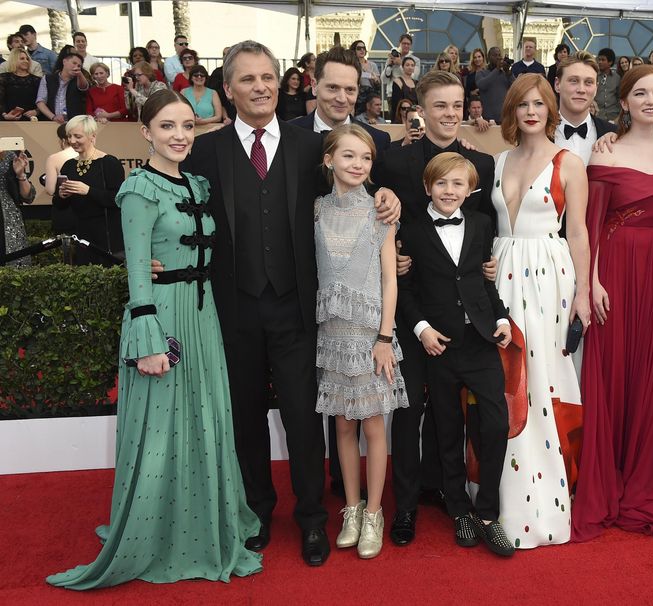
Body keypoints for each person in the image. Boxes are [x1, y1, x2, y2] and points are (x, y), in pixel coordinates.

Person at [179, 40, 400, 566]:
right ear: (227, 89)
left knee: (303, 418)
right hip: (234, 309)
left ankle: (312, 520)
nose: (260, 87)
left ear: (280, 83)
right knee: (248, 417)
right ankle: (257, 511)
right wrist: (159, 256)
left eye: (268, 77)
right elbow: (173, 200)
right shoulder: (207, 151)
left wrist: (391, 196)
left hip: (299, 310)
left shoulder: (307, 148)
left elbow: (358, 184)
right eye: (248, 79)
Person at [46, 90, 263, 590]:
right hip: (162, 316)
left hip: (204, 316)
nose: (180, 136)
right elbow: (137, 270)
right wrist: (147, 336)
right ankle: (157, 533)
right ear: (145, 132)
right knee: (163, 425)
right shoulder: (139, 190)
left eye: (187, 126)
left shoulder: (199, 183)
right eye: (167, 126)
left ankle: (206, 524)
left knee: (205, 418)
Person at [572, 65, 653, 542]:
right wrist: (594, 279)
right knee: (612, 370)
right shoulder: (601, 153)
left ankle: (645, 468)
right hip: (613, 276)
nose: (650, 99)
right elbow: (591, 222)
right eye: (640, 93)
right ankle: (608, 470)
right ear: (623, 102)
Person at [371, 69, 496, 547]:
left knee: (449, 412)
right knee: (410, 409)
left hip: (458, 316)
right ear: (420, 109)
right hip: (409, 307)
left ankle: (443, 489)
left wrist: (487, 266)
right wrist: (393, 252)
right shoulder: (394, 161)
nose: (450, 114)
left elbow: (482, 229)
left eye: (457, 105)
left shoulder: (481, 163)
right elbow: (372, 210)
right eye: (440, 105)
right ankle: (403, 508)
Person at [397, 152, 514, 557]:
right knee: (447, 430)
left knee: (496, 423)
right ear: (428, 187)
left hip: (480, 340)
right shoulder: (410, 234)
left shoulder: (482, 224)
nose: (450, 191)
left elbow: (485, 284)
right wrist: (422, 330)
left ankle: (488, 514)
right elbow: (405, 294)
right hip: (439, 344)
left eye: (458, 184)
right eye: (442, 183)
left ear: (471, 190)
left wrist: (501, 318)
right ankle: (459, 509)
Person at [491, 73, 590, 548]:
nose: (531, 111)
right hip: (501, 274)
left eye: (539, 104)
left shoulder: (569, 163)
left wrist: (585, 295)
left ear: (551, 110)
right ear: (511, 111)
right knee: (507, 378)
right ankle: (501, 493)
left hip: (550, 277)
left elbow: (579, 234)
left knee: (543, 378)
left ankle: (546, 501)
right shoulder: (496, 161)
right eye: (522, 104)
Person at [315, 125, 408, 559]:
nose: (357, 165)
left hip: (372, 336)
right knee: (342, 425)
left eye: (366, 158)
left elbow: (391, 280)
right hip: (331, 335)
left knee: (374, 425)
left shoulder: (380, 211)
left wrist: (385, 337)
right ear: (329, 159)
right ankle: (350, 508)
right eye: (349, 156)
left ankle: (374, 512)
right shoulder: (315, 209)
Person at [290, 46, 391, 160]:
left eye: (350, 90)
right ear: (314, 86)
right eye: (333, 87)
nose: (342, 99)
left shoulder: (378, 141)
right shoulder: (287, 135)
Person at [52, 115, 125, 266]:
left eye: (78, 136)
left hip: (107, 237)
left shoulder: (109, 163)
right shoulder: (68, 166)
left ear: (92, 136)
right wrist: (62, 195)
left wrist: (88, 190)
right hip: (80, 236)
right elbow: (59, 205)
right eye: (69, 136)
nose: (72, 141)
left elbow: (118, 199)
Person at [554, 51, 617, 166]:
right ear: (557, 84)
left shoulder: (613, 134)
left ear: (596, 88)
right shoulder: (538, 134)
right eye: (574, 81)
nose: (581, 89)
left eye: (588, 82)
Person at [0, 149, 36, 266]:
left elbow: (28, 197)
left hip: (9, 222)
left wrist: (20, 174)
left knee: (14, 274)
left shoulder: (10, 155)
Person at [36, 51, 89, 122]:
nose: (76, 67)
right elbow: (40, 102)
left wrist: (80, 74)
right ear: (64, 62)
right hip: (50, 121)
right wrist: (53, 117)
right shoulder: (47, 78)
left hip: (73, 123)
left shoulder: (79, 80)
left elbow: (84, 87)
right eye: (74, 63)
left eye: (79, 66)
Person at [0, 48, 41, 121]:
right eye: (22, 59)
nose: (26, 61)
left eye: (27, 59)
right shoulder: (4, 78)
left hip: (31, 120)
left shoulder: (37, 80)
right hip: (7, 119)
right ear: (14, 60)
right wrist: (5, 115)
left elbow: (43, 101)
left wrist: (36, 111)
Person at [475, 47, 513, 123]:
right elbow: (482, 85)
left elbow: (516, 87)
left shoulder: (505, 74)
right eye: (495, 55)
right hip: (487, 119)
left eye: (499, 55)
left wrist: (508, 72)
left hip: (504, 118)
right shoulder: (481, 73)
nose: (498, 57)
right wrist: (497, 69)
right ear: (489, 58)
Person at [351, 39, 380, 114]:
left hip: (371, 94)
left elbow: (378, 83)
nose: (362, 50)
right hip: (358, 95)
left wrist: (373, 77)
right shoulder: (352, 65)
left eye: (364, 48)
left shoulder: (372, 65)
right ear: (354, 50)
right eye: (359, 48)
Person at [594, 48, 621, 122]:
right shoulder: (593, 76)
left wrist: (618, 118)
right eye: (599, 60)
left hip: (613, 116)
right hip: (597, 117)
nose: (599, 62)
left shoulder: (617, 78)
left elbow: (620, 97)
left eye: (603, 60)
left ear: (610, 62)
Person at [391, 56, 418, 122]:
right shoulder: (397, 81)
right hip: (401, 116)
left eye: (412, 65)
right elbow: (395, 103)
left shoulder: (417, 83)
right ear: (402, 67)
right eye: (407, 65)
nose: (410, 67)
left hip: (414, 115)